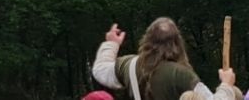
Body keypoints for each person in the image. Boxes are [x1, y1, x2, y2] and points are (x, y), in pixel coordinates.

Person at [92, 18, 240, 100]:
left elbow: (100, 71)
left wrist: (111, 43)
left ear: (147, 39)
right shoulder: (181, 75)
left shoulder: (129, 65)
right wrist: (226, 85)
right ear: (178, 43)